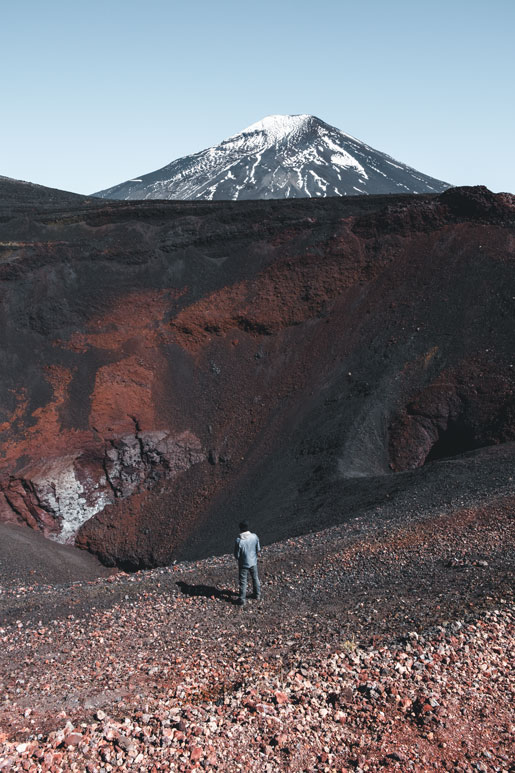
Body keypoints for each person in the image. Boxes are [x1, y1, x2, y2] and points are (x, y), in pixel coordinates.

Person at [234, 520, 261, 606]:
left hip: (243, 564)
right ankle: (257, 594)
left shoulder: (239, 541)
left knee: (243, 581)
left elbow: (237, 555)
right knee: (255, 578)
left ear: (240, 529)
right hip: (253, 562)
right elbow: (258, 549)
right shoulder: (254, 536)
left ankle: (242, 599)